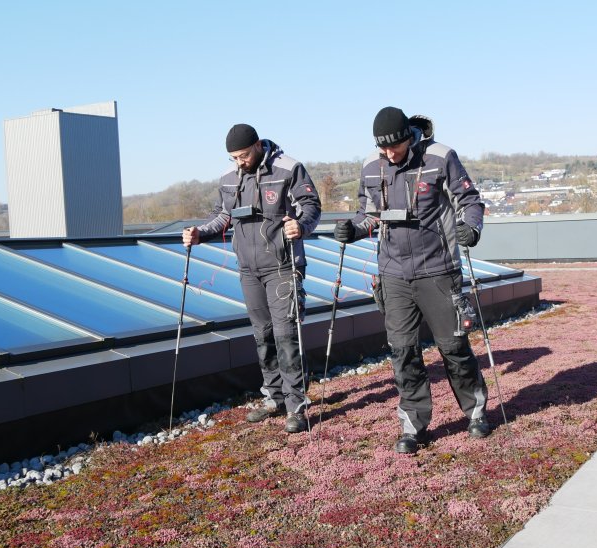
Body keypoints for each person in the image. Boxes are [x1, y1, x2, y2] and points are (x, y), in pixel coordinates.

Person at [334, 107, 491, 454]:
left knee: (453, 348)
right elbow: (368, 214)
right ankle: (413, 426)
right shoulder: (370, 166)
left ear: (409, 136)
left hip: (438, 270)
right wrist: (352, 230)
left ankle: (476, 412)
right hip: (393, 275)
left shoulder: (440, 157)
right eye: (382, 148)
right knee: (403, 352)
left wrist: (471, 227)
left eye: (395, 146)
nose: (389, 153)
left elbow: (470, 201)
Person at [183, 124, 321, 433]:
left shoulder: (289, 168)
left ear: (258, 145)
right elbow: (223, 216)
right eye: (234, 158)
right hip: (248, 269)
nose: (240, 162)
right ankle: (273, 398)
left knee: (286, 335)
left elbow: (311, 206)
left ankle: (296, 405)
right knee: (263, 335)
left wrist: (300, 225)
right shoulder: (228, 178)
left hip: (283, 266)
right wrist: (199, 233)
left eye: (244, 155)